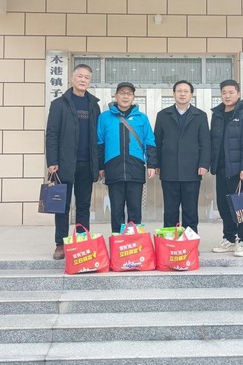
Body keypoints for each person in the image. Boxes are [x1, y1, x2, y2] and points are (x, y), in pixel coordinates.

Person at [45, 64, 101, 260]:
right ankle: (60, 244)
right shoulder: (59, 104)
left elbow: (98, 137)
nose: (83, 80)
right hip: (64, 164)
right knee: (62, 206)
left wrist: (99, 164)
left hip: (87, 164)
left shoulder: (93, 105)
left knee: (84, 206)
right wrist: (52, 161)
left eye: (87, 77)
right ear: (72, 78)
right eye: (80, 76)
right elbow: (52, 134)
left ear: (90, 81)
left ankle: (82, 241)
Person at [97, 82, 157, 233]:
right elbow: (100, 143)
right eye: (122, 93)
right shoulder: (104, 117)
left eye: (129, 94)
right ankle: (117, 240)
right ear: (116, 96)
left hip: (135, 169)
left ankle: (133, 242)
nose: (125, 96)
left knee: (135, 210)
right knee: (116, 210)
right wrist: (100, 166)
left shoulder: (142, 118)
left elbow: (150, 141)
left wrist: (151, 164)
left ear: (133, 97)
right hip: (113, 169)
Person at [154, 80, 210, 234]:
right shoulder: (163, 115)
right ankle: (169, 242)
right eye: (179, 91)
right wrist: (156, 163)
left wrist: (204, 164)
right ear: (173, 94)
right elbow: (157, 142)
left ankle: (190, 242)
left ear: (191, 95)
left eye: (186, 91)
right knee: (170, 211)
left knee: (190, 210)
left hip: (192, 170)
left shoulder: (200, 116)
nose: (182, 94)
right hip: (169, 170)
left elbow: (205, 142)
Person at [210, 79, 243, 257]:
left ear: (238, 94)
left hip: (239, 171)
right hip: (221, 169)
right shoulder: (217, 115)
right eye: (224, 93)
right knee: (224, 206)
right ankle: (229, 238)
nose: (227, 96)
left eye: (231, 92)